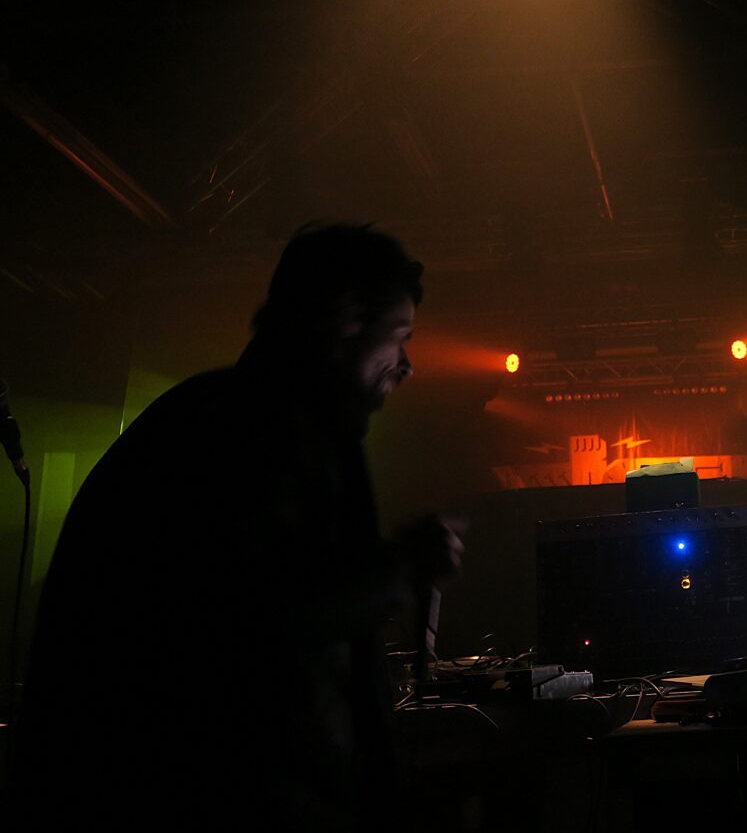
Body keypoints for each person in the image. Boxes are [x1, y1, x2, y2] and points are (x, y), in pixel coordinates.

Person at [13, 224, 464, 829]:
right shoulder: (246, 437)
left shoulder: (229, 421)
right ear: (348, 321)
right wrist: (399, 568)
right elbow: (264, 619)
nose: (406, 365)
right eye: (399, 337)